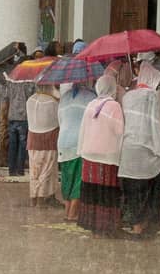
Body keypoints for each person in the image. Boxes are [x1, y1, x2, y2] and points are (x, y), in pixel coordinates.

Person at [119, 63, 160, 236]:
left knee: (132, 189)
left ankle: (134, 225)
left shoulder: (127, 96)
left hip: (127, 149)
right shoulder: (152, 96)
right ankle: (145, 227)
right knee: (149, 189)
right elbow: (154, 124)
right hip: (146, 149)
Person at [77, 76, 126, 235]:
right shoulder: (115, 106)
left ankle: (93, 226)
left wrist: (81, 150)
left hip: (89, 156)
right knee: (107, 191)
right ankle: (106, 226)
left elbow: (83, 129)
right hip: (107, 157)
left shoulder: (91, 104)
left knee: (92, 192)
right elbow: (120, 132)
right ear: (113, 88)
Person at [56, 83, 95, 222]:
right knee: (79, 180)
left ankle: (67, 212)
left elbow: (60, 120)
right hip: (79, 143)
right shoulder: (91, 96)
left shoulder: (65, 97)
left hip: (63, 142)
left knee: (67, 179)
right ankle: (73, 214)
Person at [25, 85, 61, 204]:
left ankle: (33, 199)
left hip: (32, 139)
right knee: (47, 170)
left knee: (34, 170)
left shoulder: (30, 100)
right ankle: (42, 200)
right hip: (49, 139)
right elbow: (58, 120)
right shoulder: (52, 102)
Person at [0, 68, 35, 178]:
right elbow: (32, 96)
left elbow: (5, 97)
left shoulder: (10, 82)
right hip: (24, 117)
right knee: (22, 145)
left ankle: (12, 170)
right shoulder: (29, 82)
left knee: (12, 145)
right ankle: (20, 170)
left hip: (12, 116)